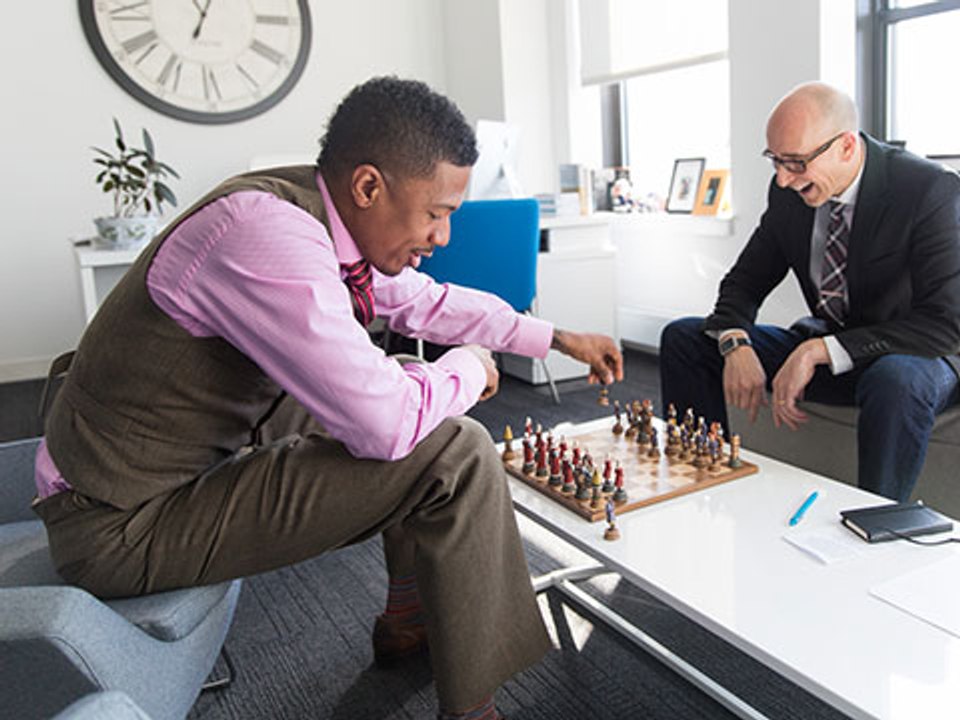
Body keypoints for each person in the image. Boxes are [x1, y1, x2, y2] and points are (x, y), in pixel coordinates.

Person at [33, 76, 623, 720]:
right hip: (119, 525)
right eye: (437, 213)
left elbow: (424, 303)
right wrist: (465, 372)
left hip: (159, 468)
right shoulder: (266, 234)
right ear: (369, 186)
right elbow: (386, 425)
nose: (444, 237)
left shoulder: (315, 214)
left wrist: (556, 337)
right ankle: (473, 707)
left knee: (401, 375)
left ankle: (406, 615)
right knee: (453, 446)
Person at [660, 81, 960, 503]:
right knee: (684, 339)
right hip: (833, 348)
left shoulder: (927, 189)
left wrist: (820, 350)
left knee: (894, 378)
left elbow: (945, 324)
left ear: (847, 147)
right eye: (775, 161)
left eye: (796, 163)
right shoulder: (788, 194)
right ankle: (701, 487)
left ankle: (875, 527)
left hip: (916, 357)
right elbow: (743, 283)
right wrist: (735, 341)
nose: (783, 179)